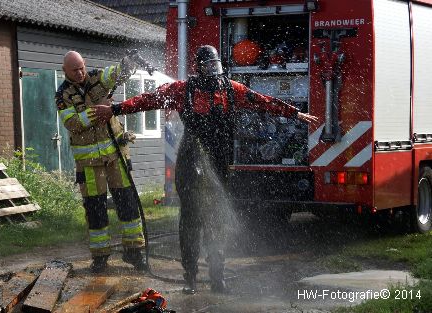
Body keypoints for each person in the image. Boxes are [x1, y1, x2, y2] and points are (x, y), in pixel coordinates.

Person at [92, 45, 318, 292]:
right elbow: (147, 100)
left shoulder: (231, 89)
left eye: (216, 65)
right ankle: (190, 277)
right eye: (208, 66)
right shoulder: (182, 90)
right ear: (199, 68)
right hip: (190, 160)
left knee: (216, 217)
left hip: (219, 161)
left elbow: (262, 101)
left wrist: (295, 114)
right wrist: (114, 109)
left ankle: (217, 277)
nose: (213, 71)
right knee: (190, 219)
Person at [55, 51, 148, 273]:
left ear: (85, 64)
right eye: (74, 70)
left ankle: (134, 253)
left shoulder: (97, 77)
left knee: (127, 203)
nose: (80, 73)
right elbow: (73, 123)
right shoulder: (62, 95)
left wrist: (126, 64)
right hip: (89, 163)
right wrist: (101, 111)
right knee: (95, 209)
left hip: (117, 156)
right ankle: (100, 258)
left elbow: (115, 74)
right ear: (65, 71)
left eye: (81, 68)